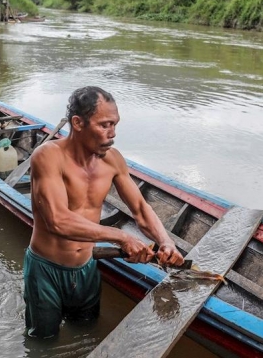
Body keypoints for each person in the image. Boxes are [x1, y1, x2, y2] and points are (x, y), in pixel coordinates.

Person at [24, 86, 185, 338]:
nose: (112, 134)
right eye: (104, 125)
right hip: (46, 271)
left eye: (115, 125)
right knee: (43, 340)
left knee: (86, 332)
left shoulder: (112, 160)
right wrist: (120, 236)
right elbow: (58, 220)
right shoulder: (48, 157)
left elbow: (141, 209)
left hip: (86, 268)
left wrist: (165, 241)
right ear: (78, 123)